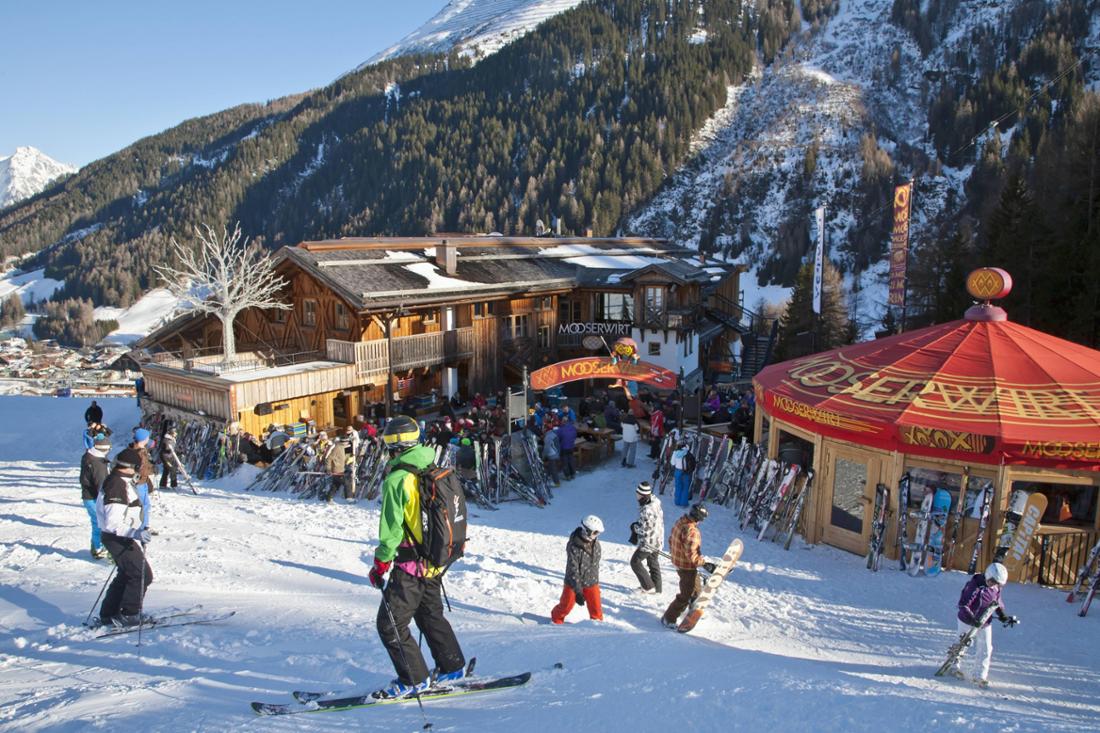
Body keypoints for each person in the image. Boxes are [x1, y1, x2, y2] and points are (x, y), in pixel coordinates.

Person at [367, 415, 466, 699]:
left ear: (394, 444)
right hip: (435, 562)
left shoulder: (398, 478)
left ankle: (413, 679)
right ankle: (452, 666)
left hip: (412, 566)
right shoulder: (431, 466)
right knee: (429, 614)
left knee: (390, 624)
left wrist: (380, 564)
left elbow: (391, 531)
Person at [96, 448, 154, 626]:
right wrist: (135, 533)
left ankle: (109, 613)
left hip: (120, 536)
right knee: (141, 574)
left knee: (127, 574)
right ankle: (130, 613)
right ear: (131, 467)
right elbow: (113, 522)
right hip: (117, 537)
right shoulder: (116, 485)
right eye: (138, 466)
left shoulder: (121, 481)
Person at [948, 562, 1019, 687]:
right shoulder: (975, 585)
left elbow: (997, 601)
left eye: (998, 584)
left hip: (985, 621)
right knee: (963, 642)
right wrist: (971, 619)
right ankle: (953, 665)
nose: (994, 585)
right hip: (967, 619)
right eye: (992, 582)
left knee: (986, 647)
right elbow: (963, 604)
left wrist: (1002, 614)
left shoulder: (996, 587)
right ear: (987, 576)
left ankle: (980, 674)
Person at [661, 504, 716, 628]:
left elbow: (671, 540)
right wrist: (705, 564)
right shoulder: (692, 531)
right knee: (685, 595)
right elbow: (692, 554)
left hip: (679, 562)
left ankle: (694, 607)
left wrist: (676, 553)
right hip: (686, 566)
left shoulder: (680, 522)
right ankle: (668, 617)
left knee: (695, 588)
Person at [551, 515, 604, 623]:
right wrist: (578, 591)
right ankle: (556, 620)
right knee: (565, 606)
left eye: (598, 533)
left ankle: (598, 628)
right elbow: (573, 569)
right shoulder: (574, 546)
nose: (597, 535)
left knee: (596, 610)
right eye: (595, 532)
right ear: (586, 531)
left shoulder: (596, 544)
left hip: (591, 581)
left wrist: (594, 582)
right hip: (573, 582)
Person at [80, 432, 112, 560]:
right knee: (100, 523)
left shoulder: (89, 455)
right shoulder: (98, 464)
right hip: (94, 498)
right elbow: (101, 485)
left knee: (97, 522)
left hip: (89, 496)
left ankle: (96, 546)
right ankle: (98, 548)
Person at [630, 482, 663, 594]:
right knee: (653, 562)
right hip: (658, 539)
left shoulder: (647, 509)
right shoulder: (655, 502)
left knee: (635, 562)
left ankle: (648, 586)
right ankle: (657, 589)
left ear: (642, 495)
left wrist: (634, 527)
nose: (636, 496)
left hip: (649, 542)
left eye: (638, 494)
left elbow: (645, 529)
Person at [129, 428, 155, 532]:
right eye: (147, 437)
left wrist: (152, 466)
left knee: (146, 503)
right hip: (138, 481)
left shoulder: (143, 450)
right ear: (143, 439)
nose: (148, 439)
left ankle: (145, 524)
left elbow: (146, 464)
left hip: (143, 481)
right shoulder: (136, 452)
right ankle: (144, 526)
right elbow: (141, 469)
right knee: (145, 504)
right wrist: (150, 470)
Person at [321, 432, 348, 502]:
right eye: (347, 442)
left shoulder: (342, 447)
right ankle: (349, 498)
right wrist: (328, 469)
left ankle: (329, 498)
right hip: (337, 470)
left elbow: (342, 458)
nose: (348, 443)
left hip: (340, 469)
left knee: (335, 485)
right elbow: (329, 458)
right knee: (346, 483)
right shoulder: (337, 448)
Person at [671, 441, 693, 507]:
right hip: (686, 472)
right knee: (685, 488)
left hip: (678, 471)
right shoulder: (688, 452)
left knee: (678, 487)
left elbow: (673, 463)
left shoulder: (675, 453)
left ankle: (677, 502)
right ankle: (684, 503)